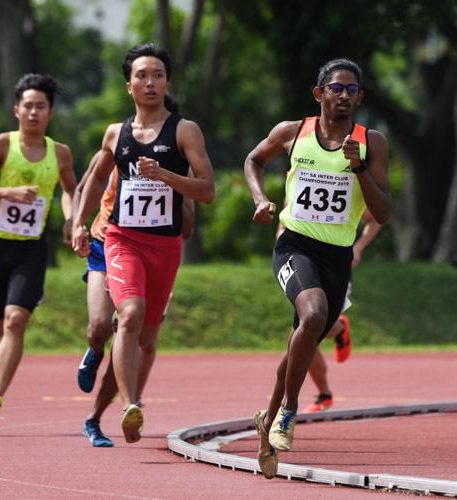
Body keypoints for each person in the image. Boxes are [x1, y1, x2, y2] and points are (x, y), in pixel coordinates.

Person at [244, 58, 391, 478]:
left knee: (300, 342)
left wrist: (359, 166)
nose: (343, 95)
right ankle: (289, 411)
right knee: (314, 315)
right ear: (319, 93)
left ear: (359, 98)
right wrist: (260, 199)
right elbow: (253, 160)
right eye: (335, 88)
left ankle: (266, 428)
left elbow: (382, 212)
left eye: (351, 90)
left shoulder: (371, 142)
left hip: (337, 257)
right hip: (294, 246)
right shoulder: (294, 132)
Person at [72, 43, 215, 444]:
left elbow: (207, 191)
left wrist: (166, 176)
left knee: (147, 337)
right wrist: (80, 223)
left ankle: (109, 406)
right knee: (128, 315)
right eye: (141, 75)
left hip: (165, 246)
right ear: (128, 85)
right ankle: (130, 406)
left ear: (167, 82)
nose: (149, 82)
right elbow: (97, 178)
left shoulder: (185, 131)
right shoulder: (115, 133)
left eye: (156, 75)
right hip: (122, 239)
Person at [0, 74, 77, 425]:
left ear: (50, 113)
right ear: (16, 110)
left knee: (17, 320)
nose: (33, 113)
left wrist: (72, 221)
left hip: (32, 250)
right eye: (27, 106)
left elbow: (71, 190)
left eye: (40, 107)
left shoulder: (60, 153)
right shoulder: (1, 146)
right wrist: (6, 193)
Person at [296, 208, 381, 412]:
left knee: (311, 328)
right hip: (304, 262)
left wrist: (358, 247)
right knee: (304, 328)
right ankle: (324, 394)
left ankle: (340, 327)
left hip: (336, 264)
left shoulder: (343, 181)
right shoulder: (297, 178)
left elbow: (377, 218)